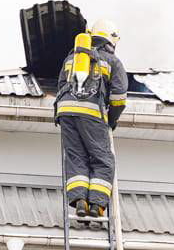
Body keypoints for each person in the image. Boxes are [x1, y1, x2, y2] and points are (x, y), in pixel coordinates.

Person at [54, 18, 128, 218]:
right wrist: (111, 121)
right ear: (111, 40)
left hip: (66, 112)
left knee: (76, 157)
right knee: (102, 159)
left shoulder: (72, 58)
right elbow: (119, 99)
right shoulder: (113, 61)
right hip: (92, 113)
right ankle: (96, 205)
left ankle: (79, 202)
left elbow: (61, 84)